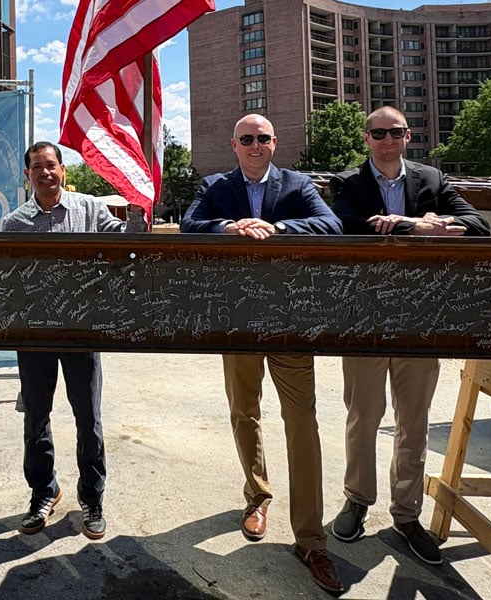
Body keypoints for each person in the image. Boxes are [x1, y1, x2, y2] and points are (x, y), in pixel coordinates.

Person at [180, 114, 344, 594]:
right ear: (234, 145)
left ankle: (312, 539)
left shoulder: (298, 184)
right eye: (247, 139)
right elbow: (190, 226)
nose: (255, 146)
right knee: (243, 412)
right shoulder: (216, 185)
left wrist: (276, 226)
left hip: (291, 321)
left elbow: (330, 224)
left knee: (302, 423)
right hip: (238, 319)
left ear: (276, 143)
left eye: (263, 139)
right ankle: (257, 496)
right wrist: (230, 227)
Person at [329, 105, 490, 565]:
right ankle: (357, 499)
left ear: (408, 135)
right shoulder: (347, 183)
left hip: (422, 318)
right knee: (363, 414)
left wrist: (410, 223)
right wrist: (415, 225)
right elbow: (345, 229)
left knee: (413, 421)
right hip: (364, 317)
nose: (387, 139)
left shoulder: (432, 181)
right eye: (378, 133)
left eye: (395, 132)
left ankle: (406, 514)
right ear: (366, 138)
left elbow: (478, 226)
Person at [1, 141, 147, 540]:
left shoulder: (90, 209)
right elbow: (9, 282)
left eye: (51, 165)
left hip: (82, 333)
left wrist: (138, 207)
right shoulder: (14, 224)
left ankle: (92, 498)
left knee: (89, 419)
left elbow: (129, 243)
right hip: (35, 336)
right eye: (37, 167)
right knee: (36, 419)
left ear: (63, 170)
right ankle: (42, 493)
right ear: (28, 174)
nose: (45, 173)